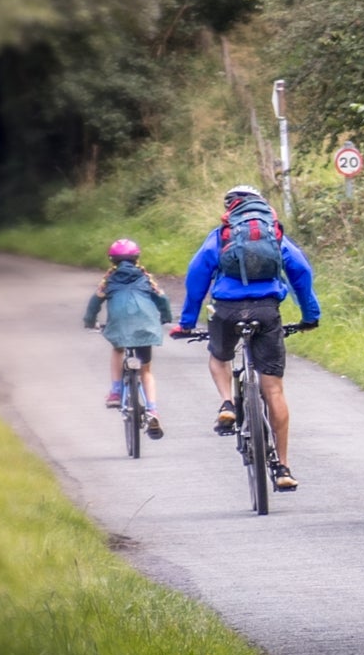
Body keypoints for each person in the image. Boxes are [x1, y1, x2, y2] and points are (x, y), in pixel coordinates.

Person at [174, 184, 322, 491]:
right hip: (267, 311)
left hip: (226, 311)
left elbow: (196, 274)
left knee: (220, 356)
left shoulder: (222, 235)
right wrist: (310, 315)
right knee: (274, 390)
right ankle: (282, 466)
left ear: (230, 208)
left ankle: (227, 402)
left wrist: (187, 322)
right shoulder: (275, 235)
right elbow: (301, 272)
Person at [84, 238, 173, 438]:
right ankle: (152, 410)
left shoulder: (109, 281)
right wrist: (166, 317)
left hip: (119, 325)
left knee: (117, 349)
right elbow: (163, 299)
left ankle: (115, 391)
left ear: (112, 260)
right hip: (145, 327)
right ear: (136, 258)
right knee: (146, 371)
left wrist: (89, 322)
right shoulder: (146, 278)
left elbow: (94, 304)